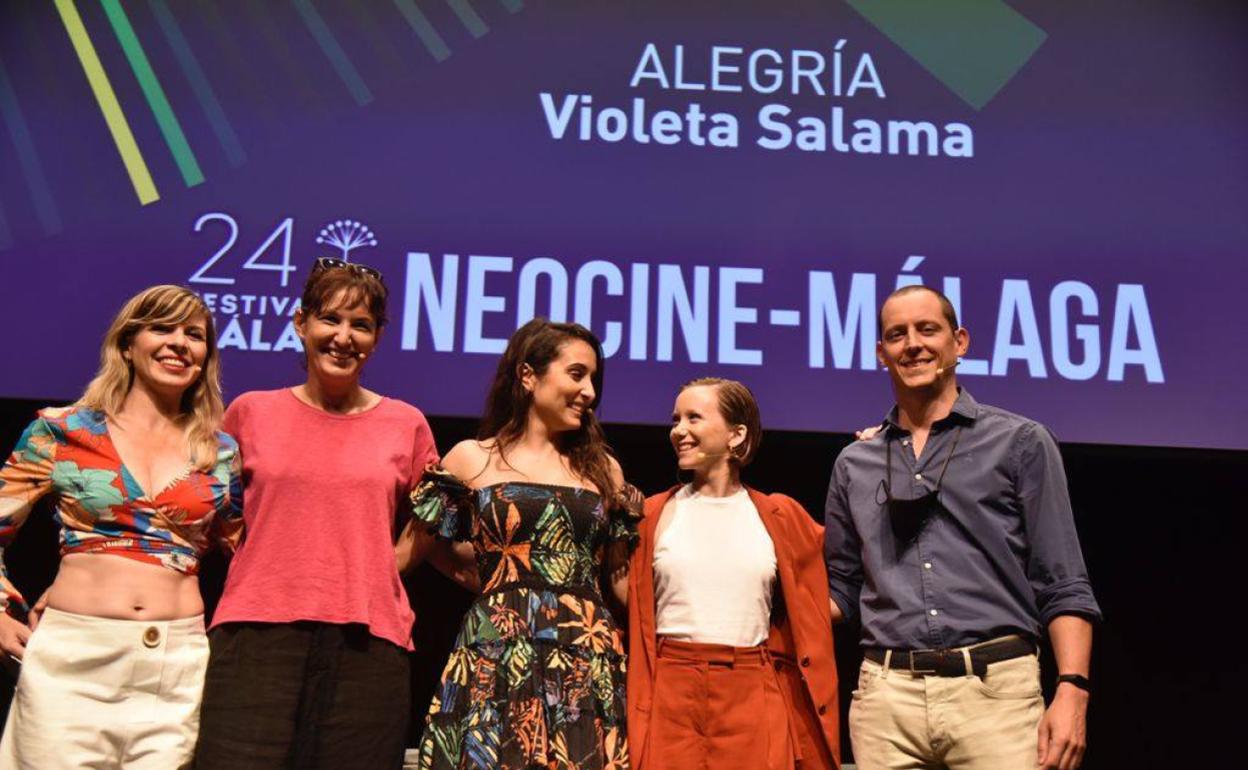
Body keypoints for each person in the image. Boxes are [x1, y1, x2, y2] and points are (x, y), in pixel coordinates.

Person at [824, 285, 1101, 770]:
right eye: (896, 334)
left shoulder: (1019, 442)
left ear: (960, 341)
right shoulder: (856, 462)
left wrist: (1073, 690)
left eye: (927, 329)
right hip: (887, 702)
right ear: (880, 354)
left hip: (997, 695)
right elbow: (840, 591)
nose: (912, 344)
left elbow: (1063, 582)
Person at [193, 258, 442, 770]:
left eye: (361, 325)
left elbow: (430, 522)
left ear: (377, 337)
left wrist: (374, 568)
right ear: (301, 322)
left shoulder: (406, 424)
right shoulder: (248, 412)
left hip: (368, 642)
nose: (343, 337)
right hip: (255, 633)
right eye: (330, 319)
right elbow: (213, 512)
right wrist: (270, 561)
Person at [0, 285, 242, 769]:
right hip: (73, 660)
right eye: (162, 328)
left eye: (194, 335)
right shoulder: (62, 431)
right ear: (127, 345)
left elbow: (249, 556)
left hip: (175, 666)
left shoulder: (221, 454)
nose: (179, 343)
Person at [410, 318, 641, 770]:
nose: (590, 392)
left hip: (584, 656)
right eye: (577, 374)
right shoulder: (470, 458)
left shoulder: (604, 470)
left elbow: (619, 580)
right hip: (496, 654)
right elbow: (423, 547)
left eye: (594, 379)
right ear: (528, 375)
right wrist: (493, 581)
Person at [627, 377, 840, 770]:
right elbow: (627, 603)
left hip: (750, 687)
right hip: (671, 685)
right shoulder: (651, 515)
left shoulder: (779, 515)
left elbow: (832, 585)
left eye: (694, 417)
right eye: (676, 419)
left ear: (735, 435)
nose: (679, 431)